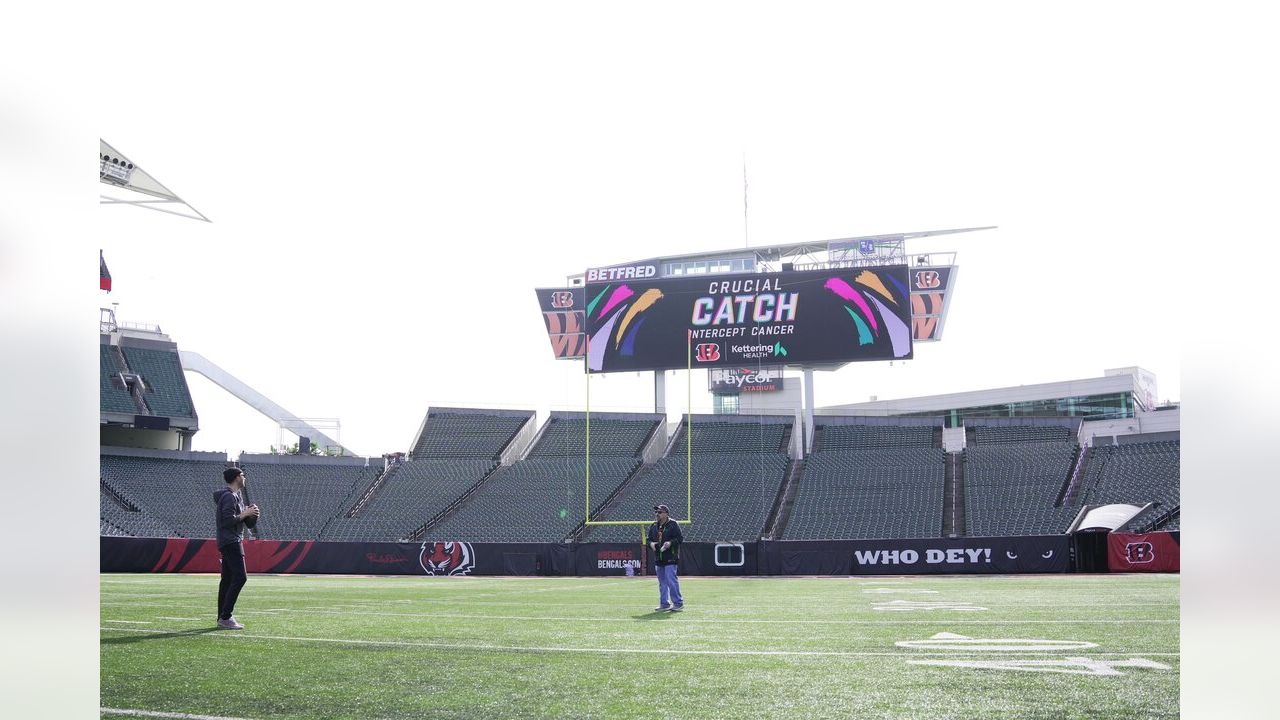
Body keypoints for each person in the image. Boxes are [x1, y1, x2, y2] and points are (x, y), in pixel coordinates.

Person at [214, 467, 259, 629]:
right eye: (242, 475)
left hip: (229, 541)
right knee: (240, 577)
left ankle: (222, 617)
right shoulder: (229, 497)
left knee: (226, 580)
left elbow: (240, 521)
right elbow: (227, 521)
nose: (244, 477)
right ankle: (226, 616)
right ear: (236, 478)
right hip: (231, 541)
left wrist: (250, 516)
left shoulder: (235, 497)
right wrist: (245, 514)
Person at [646, 504, 683, 612]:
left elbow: (679, 539)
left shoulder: (673, 524)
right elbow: (648, 540)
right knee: (662, 583)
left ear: (666, 514)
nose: (657, 514)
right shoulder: (653, 526)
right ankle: (664, 604)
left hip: (670, 557)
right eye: (656, 512)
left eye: (660, 512)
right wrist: (651, 544)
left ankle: (678, 603)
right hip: (659, 558)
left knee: (671, 581)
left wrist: (670, 543)